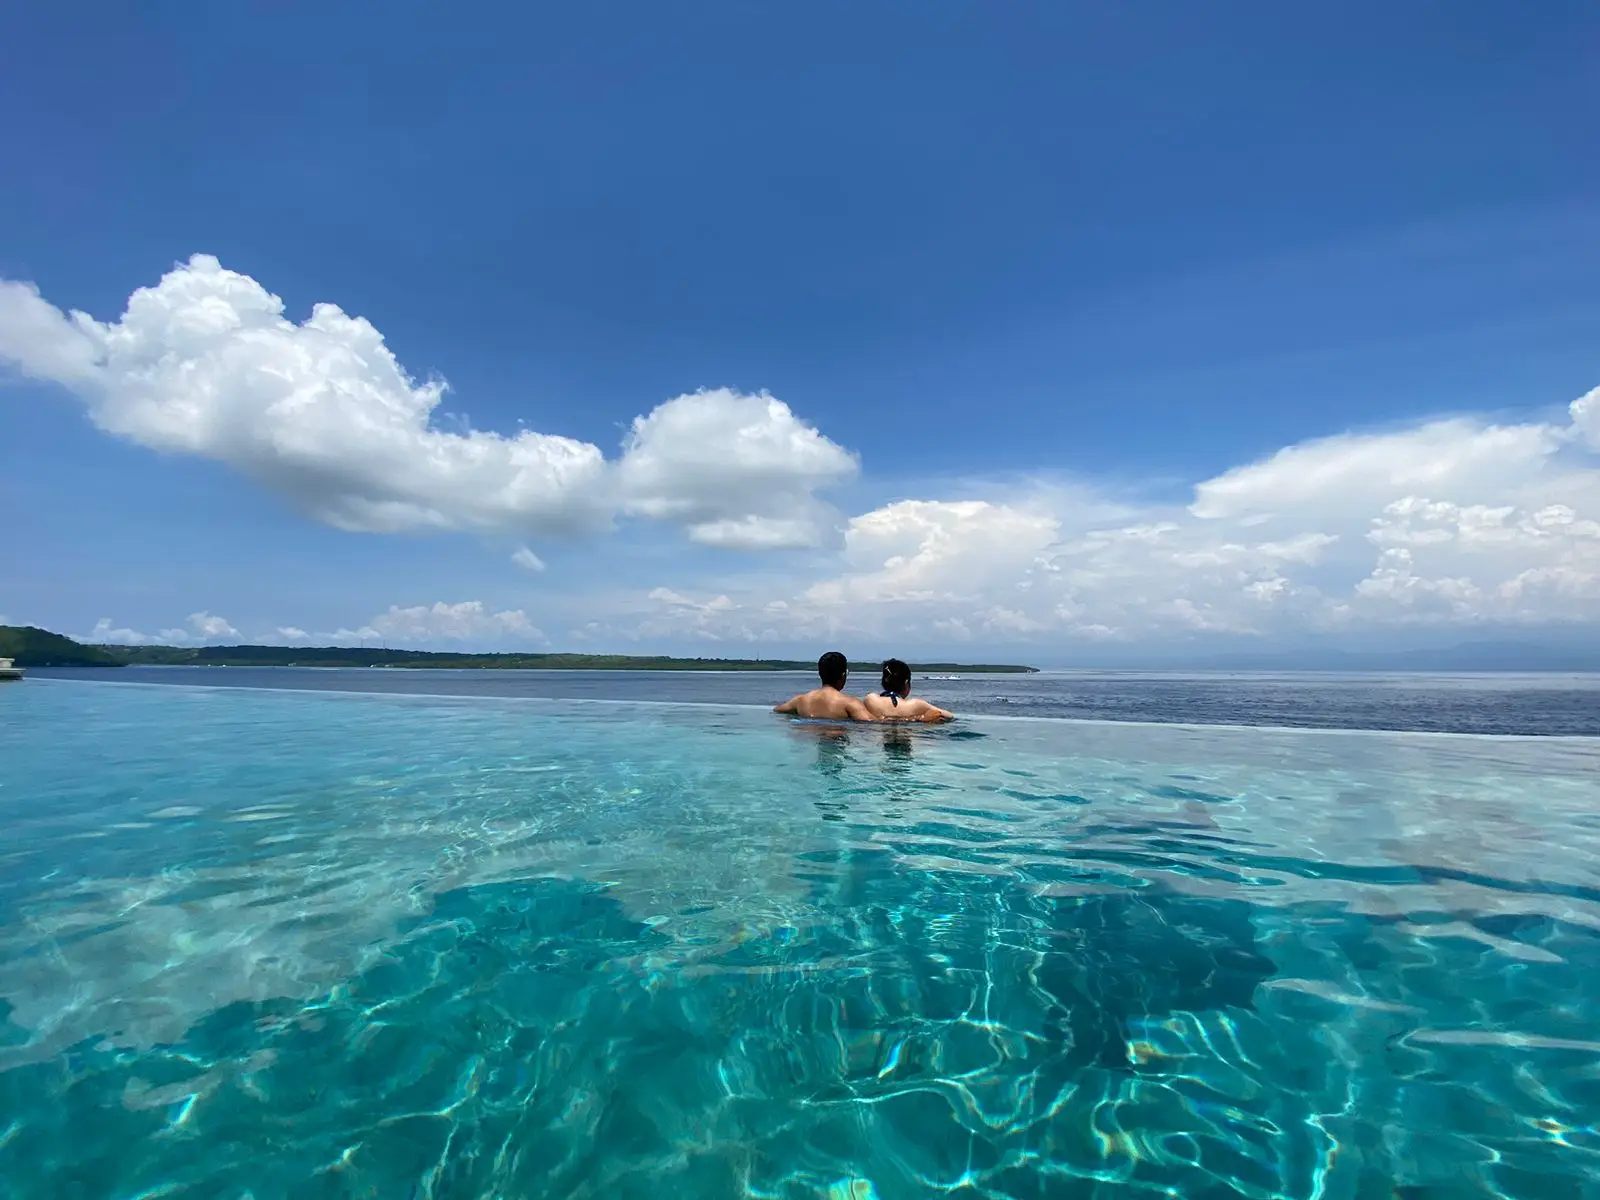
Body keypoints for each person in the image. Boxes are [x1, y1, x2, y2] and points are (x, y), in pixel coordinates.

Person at [773, 651, 876, 722]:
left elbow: (777, 710)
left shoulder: (800, 700)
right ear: (843, 675)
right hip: (836, 743)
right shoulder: (849, 703)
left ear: (820, 674)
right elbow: (872, 723)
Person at [862, 658, 954, 723]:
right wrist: (920, 718)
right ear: (906, 683)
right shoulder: (916, 704)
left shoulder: (871, 699)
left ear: (884, 681)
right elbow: (949, 716)